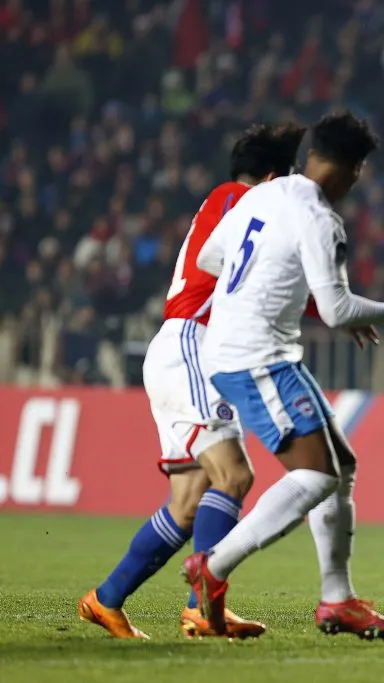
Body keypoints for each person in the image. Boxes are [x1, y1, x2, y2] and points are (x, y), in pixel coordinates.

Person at [182, 111, 384, 640]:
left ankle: (338, 600)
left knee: (341, 465)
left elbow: (213, 259)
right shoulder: (320, 218)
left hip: (246, 348)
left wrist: (269, 289)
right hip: (257, 356)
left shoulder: (262, 194)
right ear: (354, 169)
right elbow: (336, 311)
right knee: (317, 476)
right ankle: (215, 564)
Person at [78, 123, 306, 640]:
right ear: (271, 178)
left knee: (187, 501)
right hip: (193, 347)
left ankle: (106, 599)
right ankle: (202, 606)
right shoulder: (236, 200)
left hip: (185, 347)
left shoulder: (229, 203)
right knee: (234, 476)